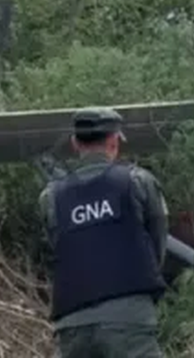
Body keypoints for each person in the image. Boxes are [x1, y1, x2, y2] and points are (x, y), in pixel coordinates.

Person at [39, 107, 169, 358]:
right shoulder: (138, 182)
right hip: (129, 320)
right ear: (114, 141)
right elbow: (157, 244)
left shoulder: (50, 197)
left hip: (72, 325)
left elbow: (57, 247)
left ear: (75, 143)